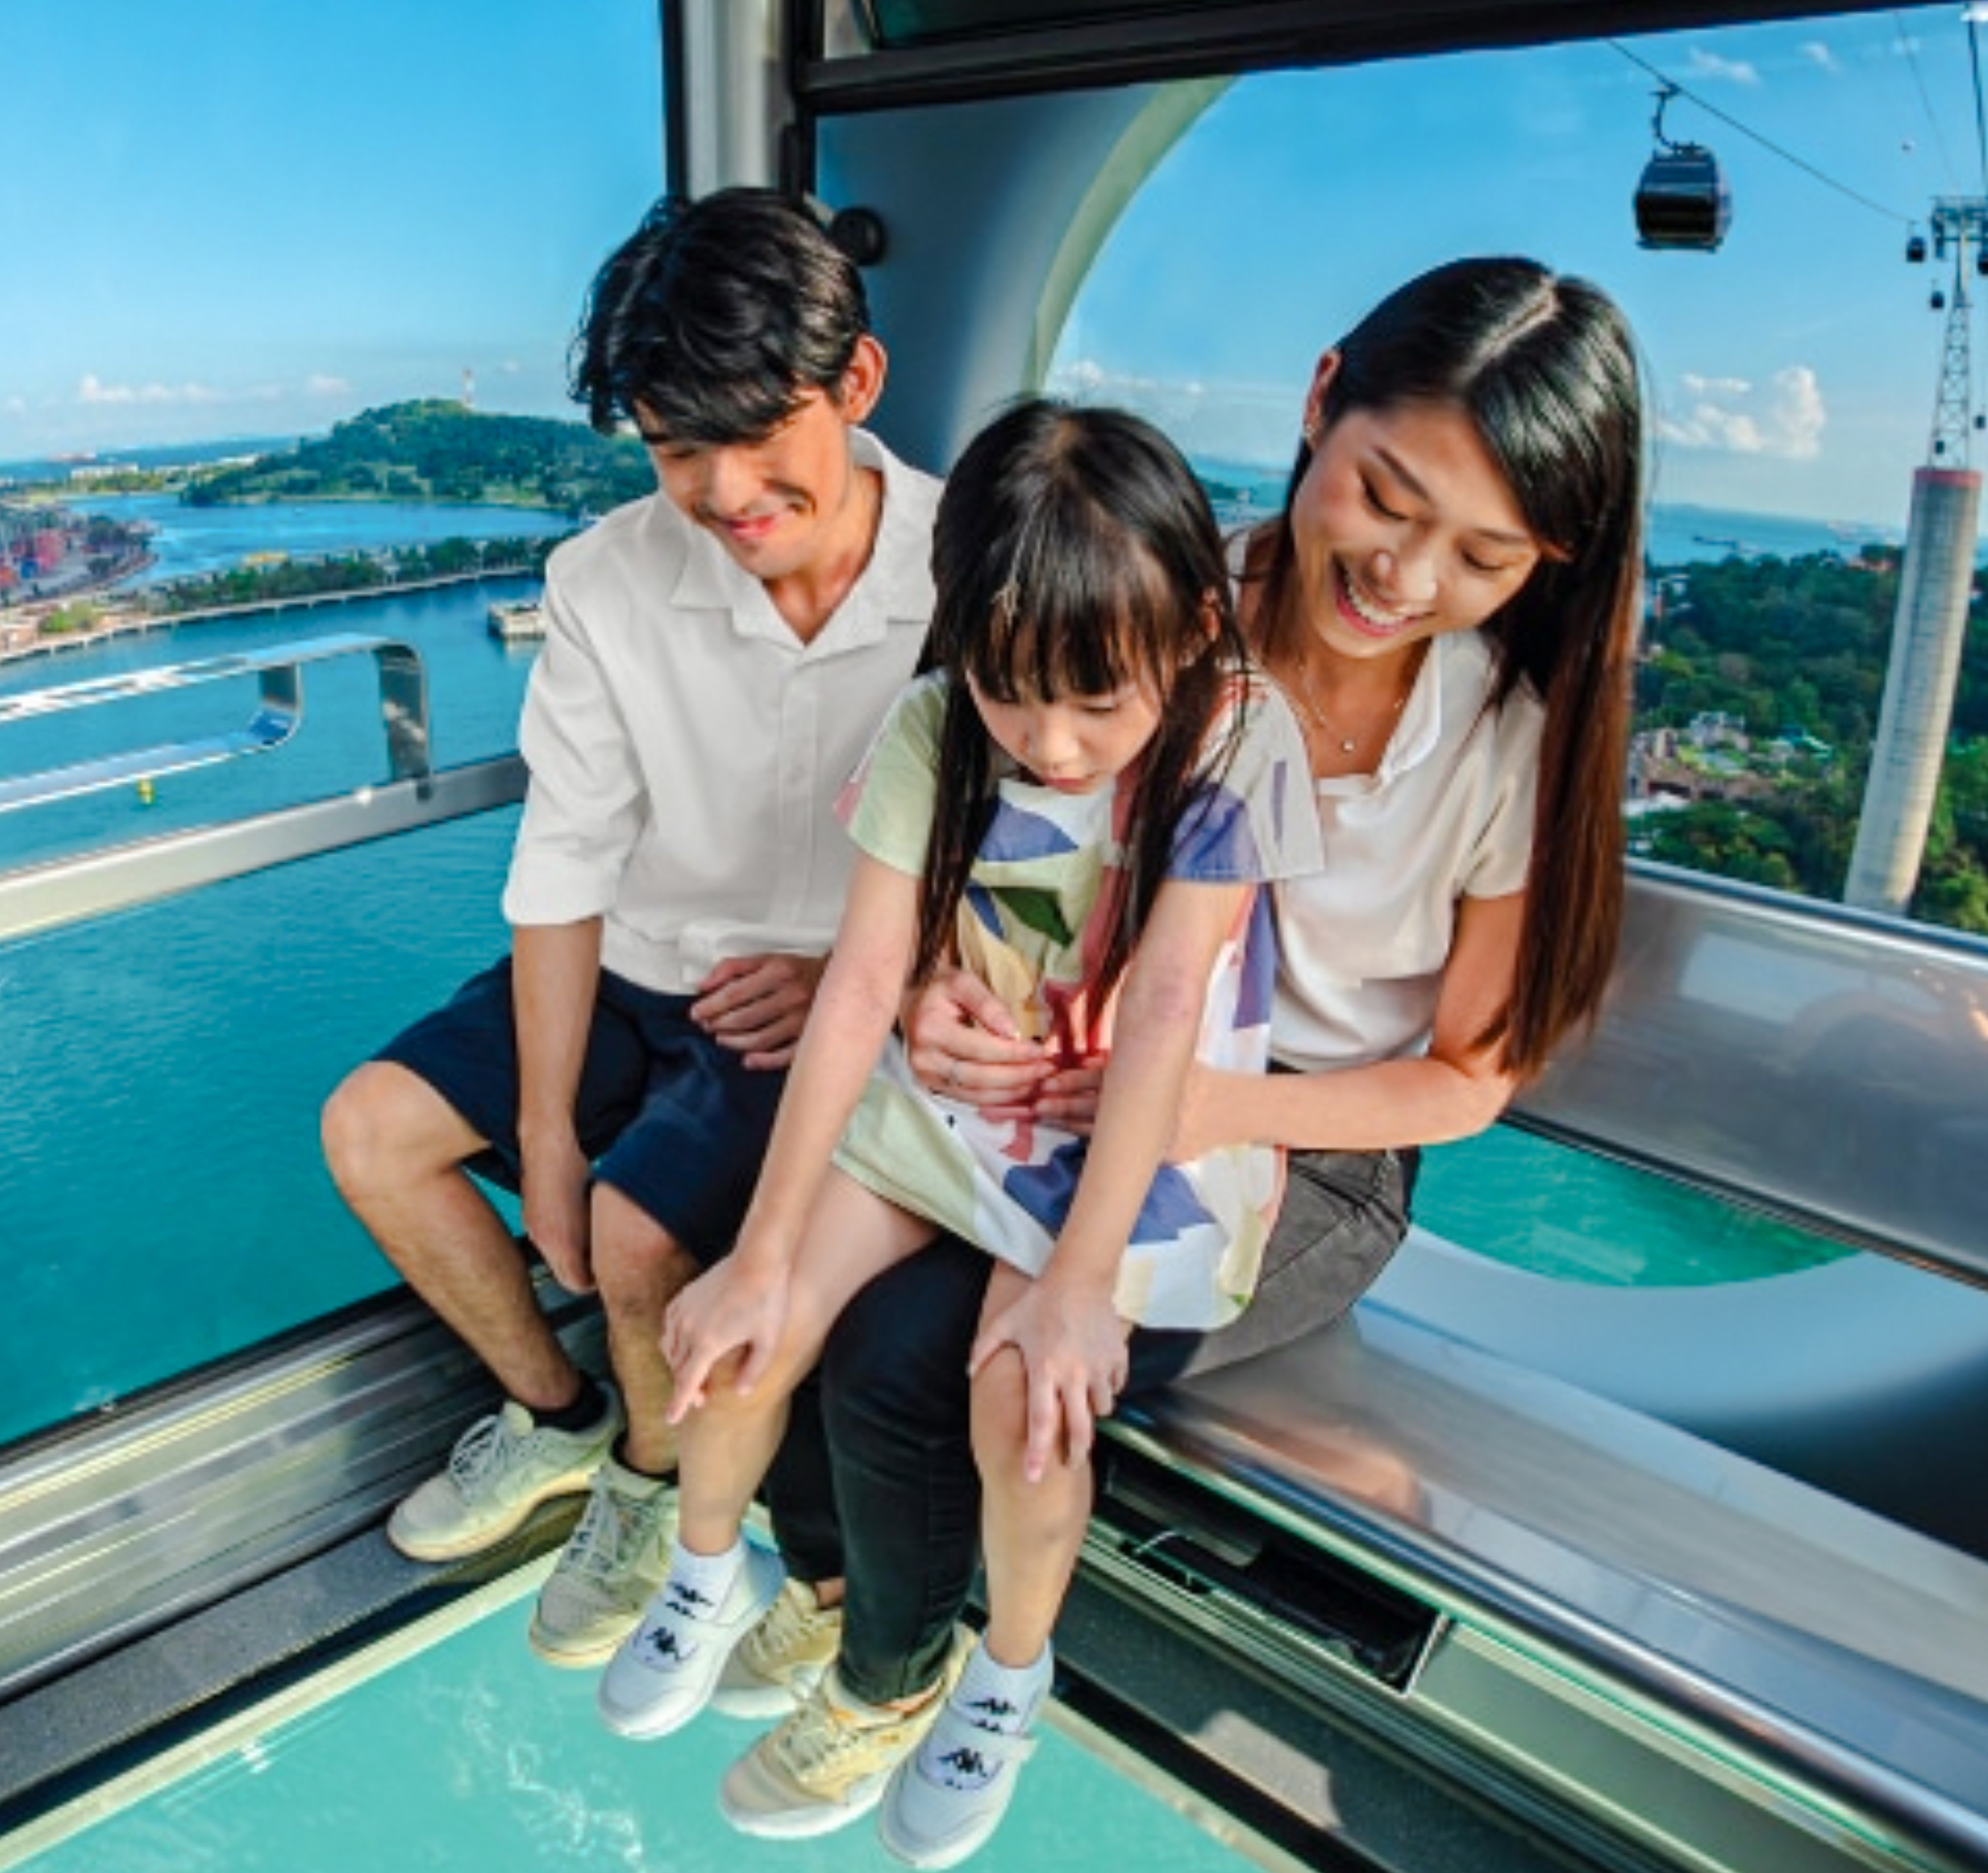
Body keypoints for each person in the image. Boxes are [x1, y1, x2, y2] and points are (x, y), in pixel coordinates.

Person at [718, 255, 1648, 1860]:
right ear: (1316, 402)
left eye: (1485, 555)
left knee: (942, 1374)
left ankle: (920, 1673)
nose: (1405, 573)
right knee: (812, 1287)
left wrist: (1205, 1106)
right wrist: (937, 976)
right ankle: (850, 1611)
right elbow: (974, 813)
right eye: (1385, 495)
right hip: (1064, 1072)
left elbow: (1465, 1080)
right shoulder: (1143, 581)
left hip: (1302, 1144)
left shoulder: (1507, 739)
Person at [590, 401, 1309, 1866]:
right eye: (1008, 691)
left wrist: (1074, 1288)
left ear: (1183, 635)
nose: (1047, 743)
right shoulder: (935, 728)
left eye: (1096, 703)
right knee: (751, 1311)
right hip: (963, 1096)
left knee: (1017, 1397)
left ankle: (1005, 1676)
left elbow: (1169, 1004)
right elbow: (861, 983)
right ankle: (707, 1568)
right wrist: (768, 1248)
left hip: (1130, 1129)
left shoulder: (1235, 736)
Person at [317, 187, 940, 1666]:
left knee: (636, 1233)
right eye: (676, 449)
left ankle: (651, 1489)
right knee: (372, 1135)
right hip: (638, 962)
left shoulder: (972, 558)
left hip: (819, 994)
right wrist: (539, 1131)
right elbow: (564, 861)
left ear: (856, 386)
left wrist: (873, 976)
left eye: (757, 437)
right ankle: (561, 1414)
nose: (724, 492)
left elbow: (1045, 829)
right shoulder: (601, 580)